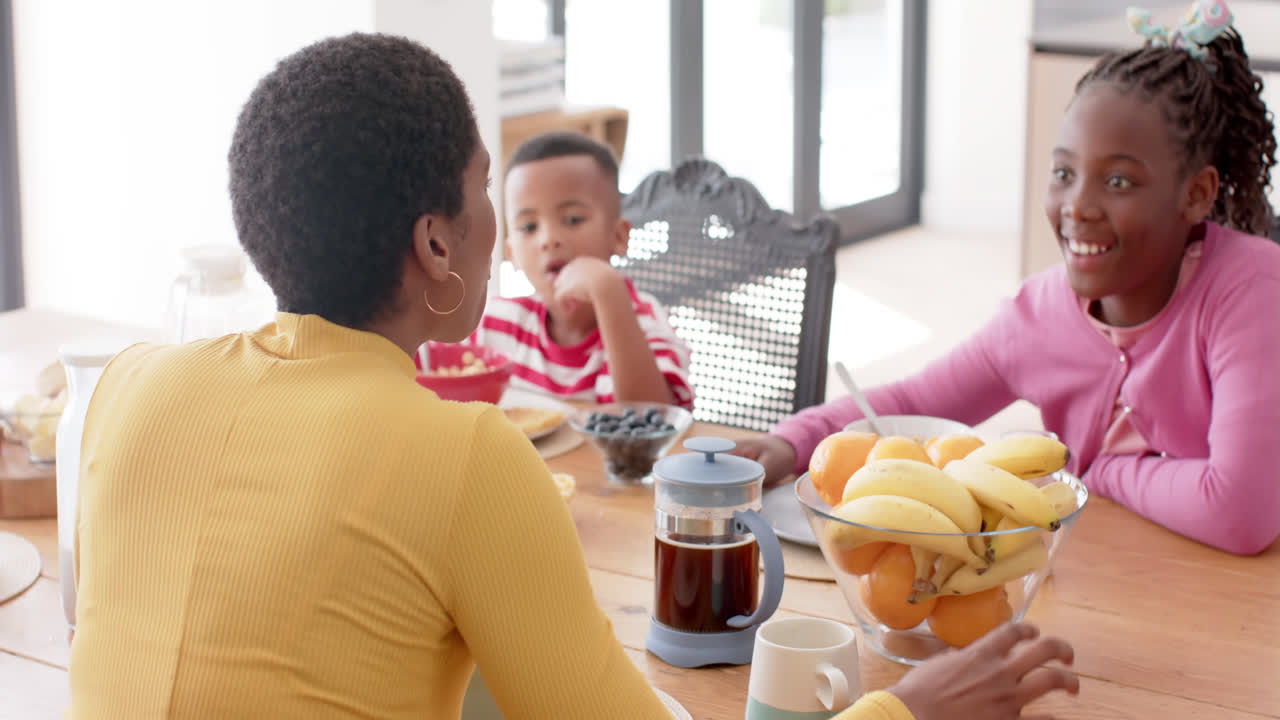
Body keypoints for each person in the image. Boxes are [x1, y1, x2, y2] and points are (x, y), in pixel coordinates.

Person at [64, 32, 1075, 719]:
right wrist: (906, 706)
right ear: (436, 246)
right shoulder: (460, 455)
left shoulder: (127, 386)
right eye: (483, 196)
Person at [735, 1, 1280, 556]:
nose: (1078, 206)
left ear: (1197, 193)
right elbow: (912, 400)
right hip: (1109, 579)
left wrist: (1103, 470)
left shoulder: (1251, 291)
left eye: (1118, 181)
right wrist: (794, 439)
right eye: (1064, 173)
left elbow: (1239, 511)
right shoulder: (1039, 315)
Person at [468, 131, 694, 409]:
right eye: (529, 227)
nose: (549, 239)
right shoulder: (495, 321)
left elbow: (653, 424)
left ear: (619, 237)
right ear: (511, 253)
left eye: (573, 219)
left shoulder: (643, 321)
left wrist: (608, 292)